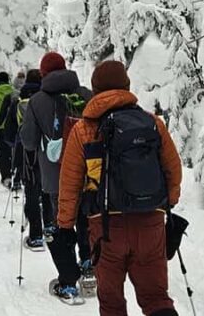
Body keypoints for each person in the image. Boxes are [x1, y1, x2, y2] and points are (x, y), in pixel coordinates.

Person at [58, 60, 183, 316]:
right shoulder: (153, 123)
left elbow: (69, 184)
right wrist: (164, 203)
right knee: (156, 298)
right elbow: (173, 170)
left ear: (95, 89)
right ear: (126, 85)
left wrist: (65, 225)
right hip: (150, 222)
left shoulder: (83, 130)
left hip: (105, 228)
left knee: (112, 304)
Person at [20, 52, 92, 303]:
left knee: (60, 224)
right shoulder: (85, 95)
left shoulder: (37, 101)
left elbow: (28, 141)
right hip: (87, 173)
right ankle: (89, 263)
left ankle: (68, 282)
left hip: (55, 175)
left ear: (43, 74)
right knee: (85, 218)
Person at [0, 68, 53, 250]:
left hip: (25, 151)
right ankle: (51, 227)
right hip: (47, 150)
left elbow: (9, 133)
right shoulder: (48, 100)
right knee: (47, 189)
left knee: (31, 190)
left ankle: (36, 236)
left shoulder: (17, 101)